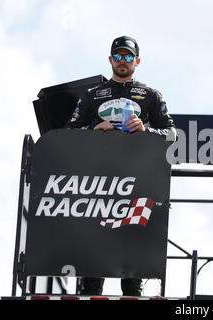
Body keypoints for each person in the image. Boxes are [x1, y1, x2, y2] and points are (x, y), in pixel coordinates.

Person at [67, 35, 176, 297]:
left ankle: (133, 294)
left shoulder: (150, 95)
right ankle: (91, 292)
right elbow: (67, 133)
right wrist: (94, 129)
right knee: (95, 242)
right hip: (98, 180)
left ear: (137, 61)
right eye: (118, 56)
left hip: (137, 178)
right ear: (110, 60)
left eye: (128, 56)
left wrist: (146, 129)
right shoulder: (92, 95)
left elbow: (172, 134)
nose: (123, 61)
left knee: (133, 240)